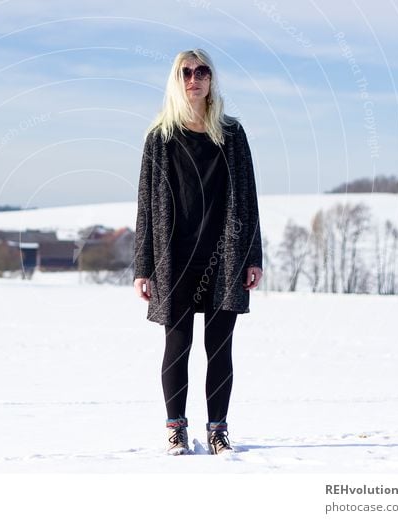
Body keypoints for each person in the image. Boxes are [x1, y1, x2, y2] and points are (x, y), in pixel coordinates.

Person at [132, 49, 263, 456]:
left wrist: (253, 256)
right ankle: (175, 429)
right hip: (175, 258)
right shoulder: (160, 138)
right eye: (186, 72)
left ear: (212, 80)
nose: (195, 78)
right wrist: (143, 266)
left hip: (224, 256)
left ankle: (218, 431)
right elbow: (145, 207)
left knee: (220, 347)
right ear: (177, 80)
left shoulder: (232, 134)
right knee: (177, 345)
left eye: (202, 71)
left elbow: (249, 198)